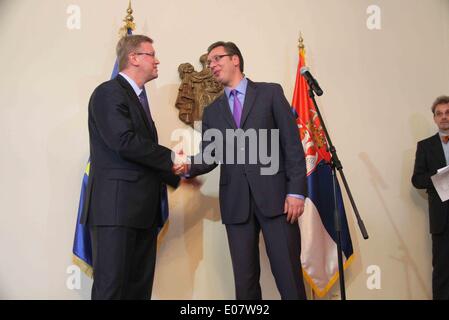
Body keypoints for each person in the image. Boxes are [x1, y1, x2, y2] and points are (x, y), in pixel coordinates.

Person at [173, 41, 307, 299]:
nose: (211, 65)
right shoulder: (213, 111)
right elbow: (210, 156)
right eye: (209, 61)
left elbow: (292, 145)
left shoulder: (270, 93)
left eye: (216, 58)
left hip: (278, 201)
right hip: (236, 205)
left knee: (289, 277)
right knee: (244, 285)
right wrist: (186, 165)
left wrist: (296, 192)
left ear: (236, 60)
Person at [81, 35, 180, 300]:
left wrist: (178, 173)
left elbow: (140, 154)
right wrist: (173, 161)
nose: (157, 60)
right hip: (115, 212)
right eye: (151, 54)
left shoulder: (138, 100)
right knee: (112, 291)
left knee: (138, 292)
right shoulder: (108, 92)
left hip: (141, 214)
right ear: (134, 58)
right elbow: (123, 142)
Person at [412, 95, 449, 300]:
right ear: (434, 118)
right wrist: (439, 177)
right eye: (439, 114)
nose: (444, 117)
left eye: (448, 113)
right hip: (441, 219)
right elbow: (417, 179)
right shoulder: (425, 146)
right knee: (442, 270)